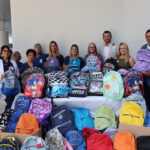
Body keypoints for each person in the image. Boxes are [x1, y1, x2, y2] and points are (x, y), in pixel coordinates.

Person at [0, 45, 19, 110]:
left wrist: (16, 75)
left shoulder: (13, 62)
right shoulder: (0, 62)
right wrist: (1, 76)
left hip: (13, 87)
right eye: (4, 51)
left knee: (12, 103)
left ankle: (8, 116)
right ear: (1, 52)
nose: (6, 52)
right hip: (4, 87)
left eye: (7, 51)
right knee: (8, 104)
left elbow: (17, 73)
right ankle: (6, 117)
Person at [138, 29, 150, 110]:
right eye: (147, 36)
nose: (149, 38)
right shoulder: (143, 47)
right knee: (146, 92)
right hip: (145, 75)